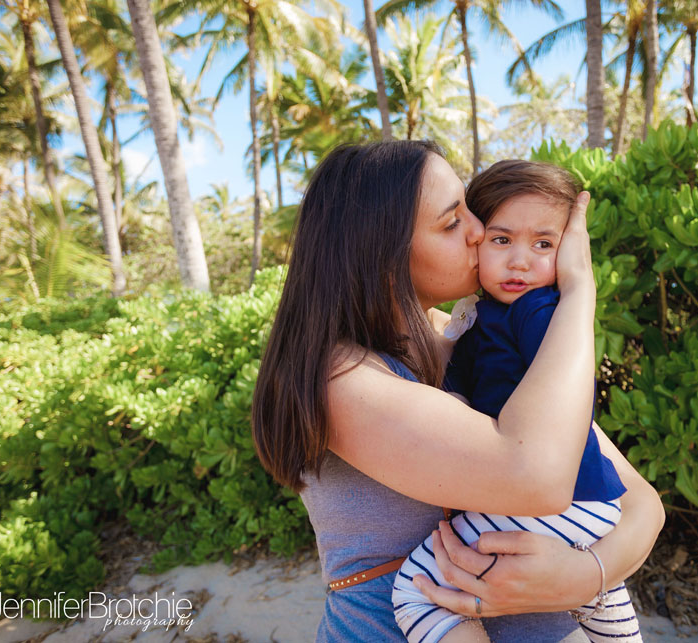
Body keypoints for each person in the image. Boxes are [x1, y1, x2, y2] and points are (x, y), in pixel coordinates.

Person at [252, 140, 665, 642]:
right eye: (452, 223)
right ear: (381, 254)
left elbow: (641, 503)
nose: (478, 230)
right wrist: (579, 292)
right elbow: (538, 475)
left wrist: (587, 575)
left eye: (469, 208)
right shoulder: (342, 379)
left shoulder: (477, 338)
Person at [391, 160, 643, 643]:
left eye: (544, 244)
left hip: (564, 499)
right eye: (501, 240)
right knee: (600, 605)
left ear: (569, 251)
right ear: (477, 238)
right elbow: (458, 385)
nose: (520, 261)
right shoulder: (481, 319)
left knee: (417, 590)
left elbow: (572, 399)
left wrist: (575, 287)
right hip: (587, 501)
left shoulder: (539, 311)